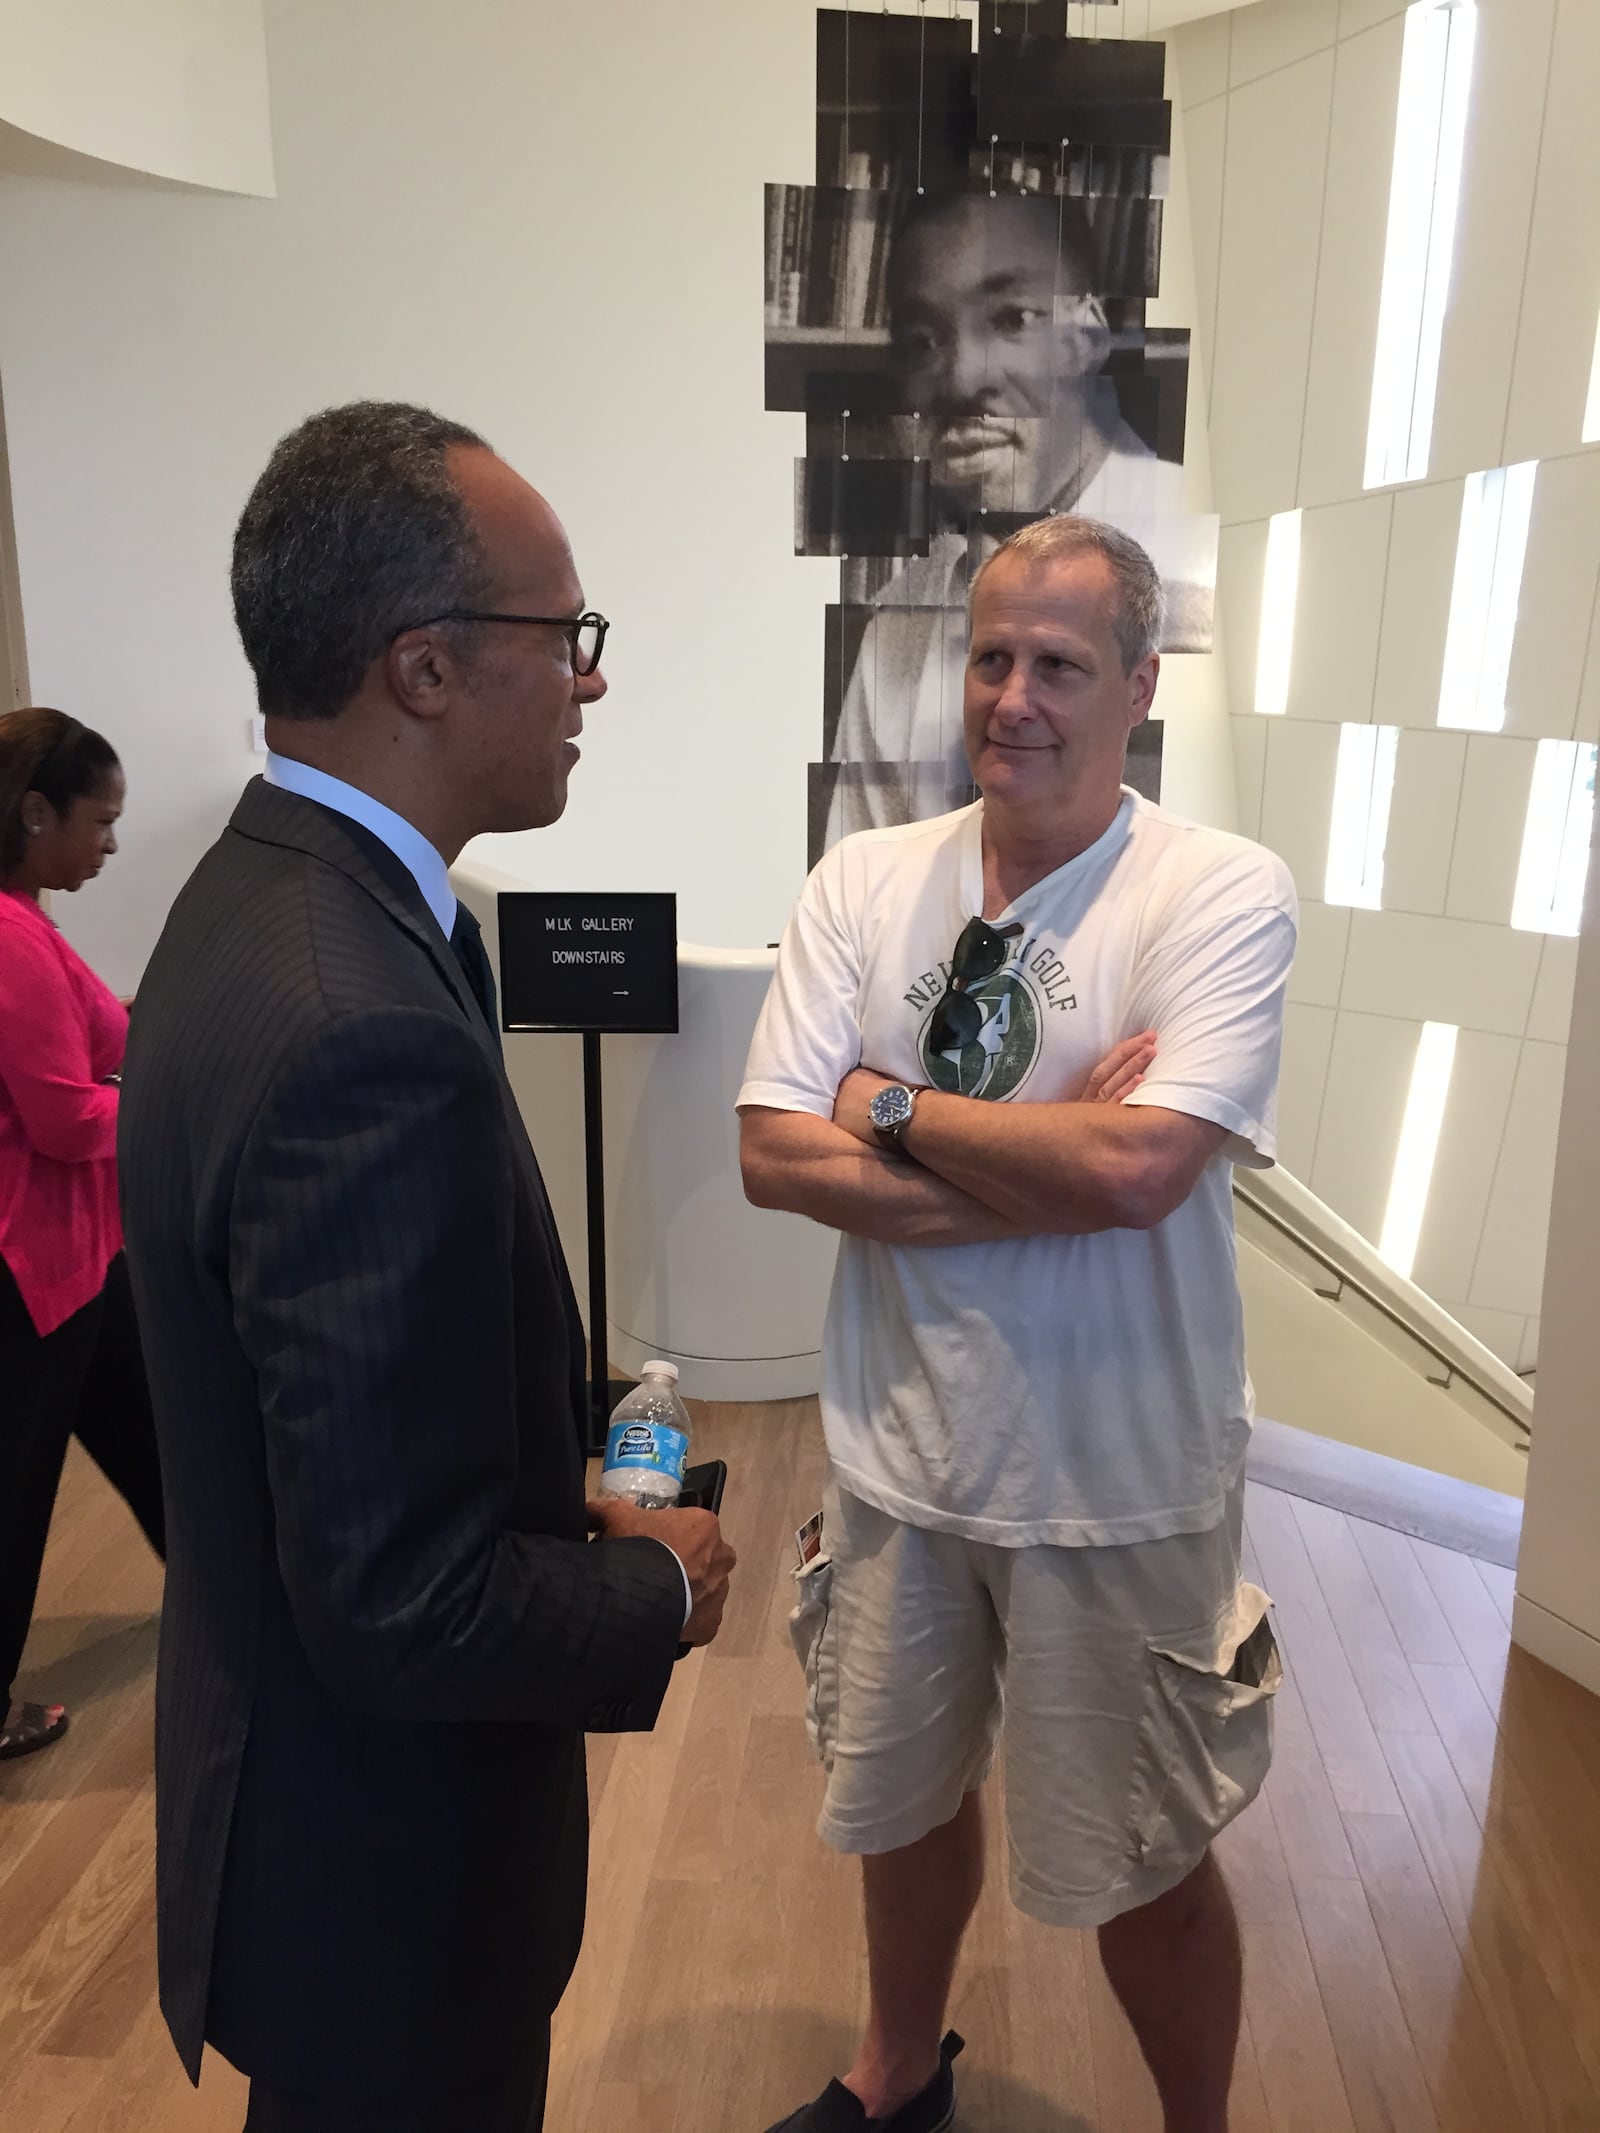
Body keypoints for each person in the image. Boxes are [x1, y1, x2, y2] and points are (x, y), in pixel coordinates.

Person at [117, 401, 736, 2133]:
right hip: (381, 1869)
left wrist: (573, 1445)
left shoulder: (278, 898)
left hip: (314, 1830)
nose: (590, 680)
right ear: (426, 669)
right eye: (568, 638)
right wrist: (664, 1585)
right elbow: (403, 1595)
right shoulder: (349, 1015)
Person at [740, 515, 1294, 2133]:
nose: (1014, 695)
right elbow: (777, 1153)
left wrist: (889, 1101)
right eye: (991, 654)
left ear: (1139, 683)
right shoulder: (865, 880)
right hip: (903, 1457)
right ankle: (897, 2068)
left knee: (1145, 1852)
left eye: (1059, 662)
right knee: (897, 1799)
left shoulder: (1215, 891)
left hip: (1118, 1480)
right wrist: (1054, 1142)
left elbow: (1136, 1168)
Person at [823, 192, 1215, 848]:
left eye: (1011, 318)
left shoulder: (1195, 570)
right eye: (923, 340)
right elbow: (854, 885)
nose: (961, 377)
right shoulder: (902, 621)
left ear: (1086, 337)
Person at [0, 707, 165, 1761]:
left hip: (83, 1259)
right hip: (27, 1268)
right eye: (99, 822)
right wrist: (172, 1101)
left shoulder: (29, 917)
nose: (110, 842)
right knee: (15, 1495)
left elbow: (105, 1032)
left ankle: (243, 1599)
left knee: (161, 1433)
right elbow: (65, 1117)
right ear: (33, 812)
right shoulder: (9, 938)